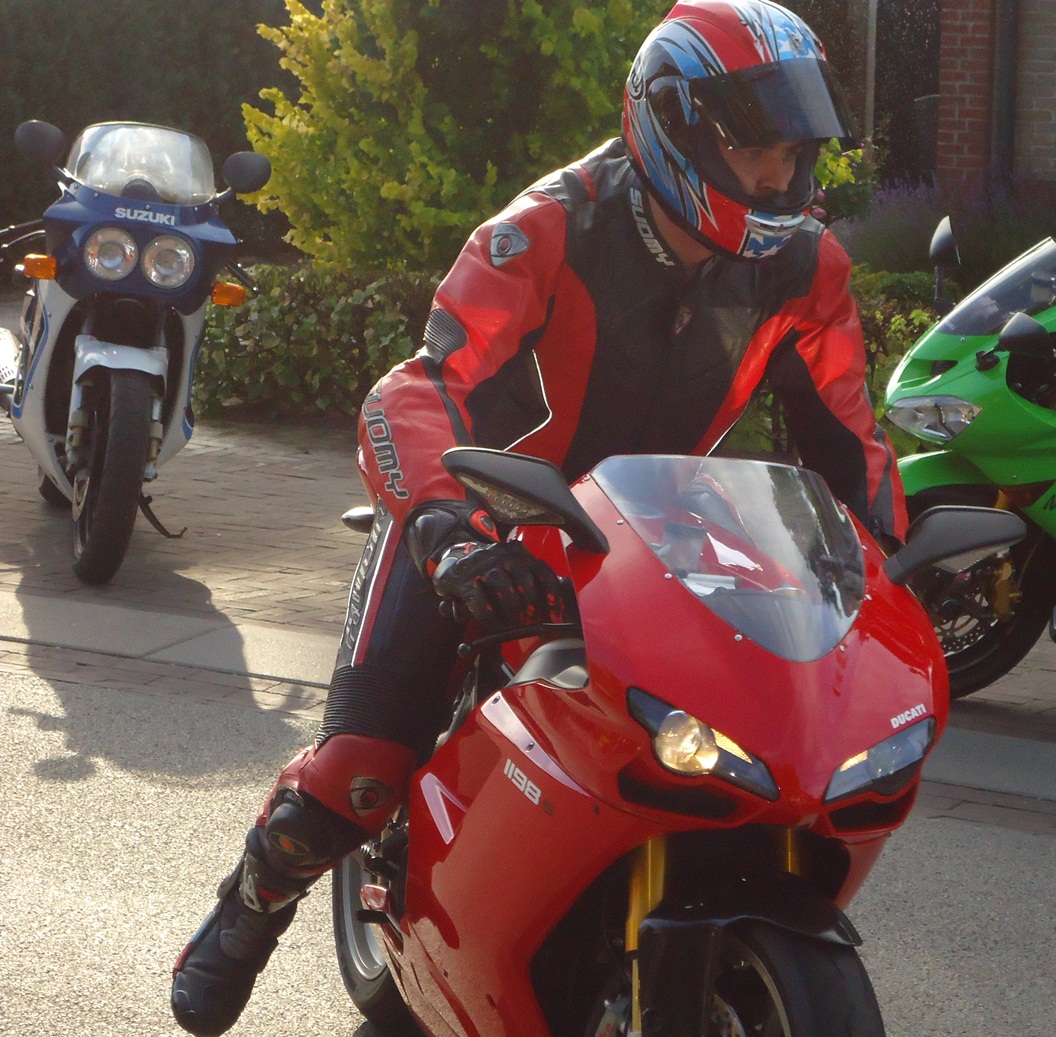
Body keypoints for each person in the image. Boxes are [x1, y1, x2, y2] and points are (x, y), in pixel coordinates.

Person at [169, 1, 905, 1033]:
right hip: (480, 519)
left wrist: (884, 567)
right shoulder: (546, 229)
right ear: (675, 127)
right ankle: (249, 904)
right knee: (364, 770)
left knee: (729, 744)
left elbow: (848, 445)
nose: (778, 177)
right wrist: (447, 531)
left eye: (791, 153)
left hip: (647, 539)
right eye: (752, 148)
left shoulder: (807, 268)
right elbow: (417, 389)